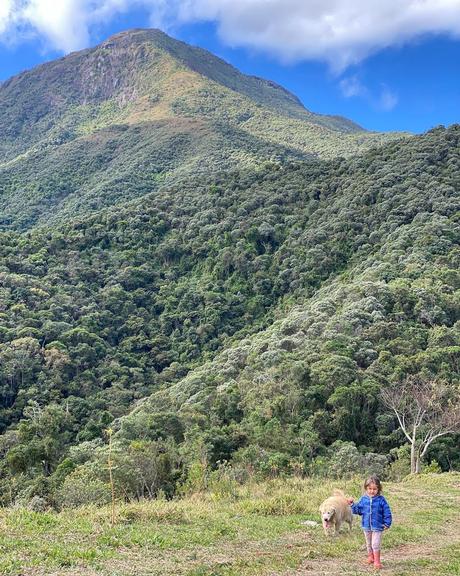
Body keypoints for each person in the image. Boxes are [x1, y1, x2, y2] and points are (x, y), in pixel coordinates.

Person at [347, 475, 392, 570]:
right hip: (366, 526)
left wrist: (387, 523)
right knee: (368, 543)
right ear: (366, 488)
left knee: (375, 544)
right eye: (369, 488)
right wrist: (352, 505)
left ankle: (377, 561)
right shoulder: (363, 499)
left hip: (378, 526)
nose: (372, 491)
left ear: (378, 489)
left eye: (374, 489)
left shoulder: (381, 500)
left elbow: (387, 511)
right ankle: (371, 557)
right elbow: (358, 511)